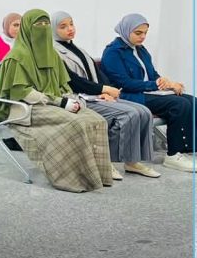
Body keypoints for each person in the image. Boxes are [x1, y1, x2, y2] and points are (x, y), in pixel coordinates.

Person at [0, 9, 117, 192]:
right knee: (75, 123)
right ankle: (72, 177)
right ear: (27, 28)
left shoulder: (51, 54)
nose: (43, 28)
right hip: (26, 107)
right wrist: (60, 103)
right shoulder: (16, 57)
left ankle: (96, 174)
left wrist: (69, 99)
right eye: (38, 24)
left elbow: (63, 84)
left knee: (96, 120)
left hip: (53, 102)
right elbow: (23, 92)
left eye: (46, 24)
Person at [52, 12, 158, 178]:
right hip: (79, 98)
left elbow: (97, 73)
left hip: (95, 95)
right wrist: (102, 90)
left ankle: (133, 162)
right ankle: (106, 163)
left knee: (143, 112)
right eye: (63, 26)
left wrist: (107, 90)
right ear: (53, 29)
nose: (70, 29)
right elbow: (73, 81)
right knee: (129, 114)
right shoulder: (54, 52)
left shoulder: (77, 48)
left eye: (71, 24)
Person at [102, 13, 195, 173]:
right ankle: (173, 155)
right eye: (138, 33)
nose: (143, 37)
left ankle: (187, 150)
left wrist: (167, 84)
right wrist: (155, 85)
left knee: (192, 100)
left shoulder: (141, 50)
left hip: (148, 92)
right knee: (179, 104)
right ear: (126, 30)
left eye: (145, 33)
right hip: (129, 96)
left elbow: (152, 75)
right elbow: (124, 83)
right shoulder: (113, 52)